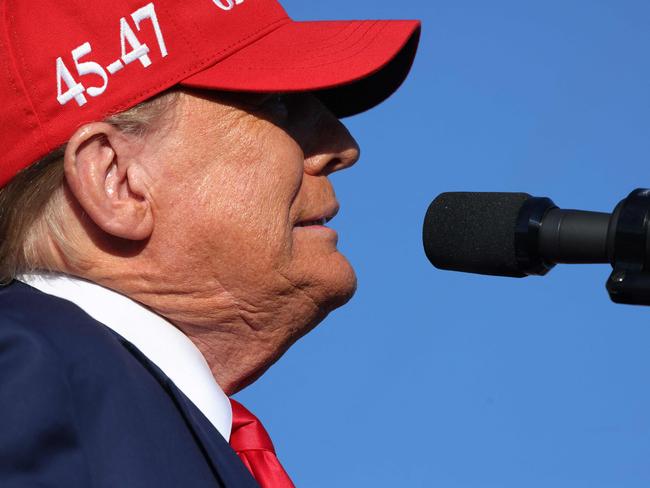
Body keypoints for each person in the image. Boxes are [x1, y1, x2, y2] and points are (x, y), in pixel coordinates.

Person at [0, 0, 420, 486]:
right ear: (118, 180)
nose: (342, 147)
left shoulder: (102, 401)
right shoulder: (25, 370)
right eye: (278, 103)